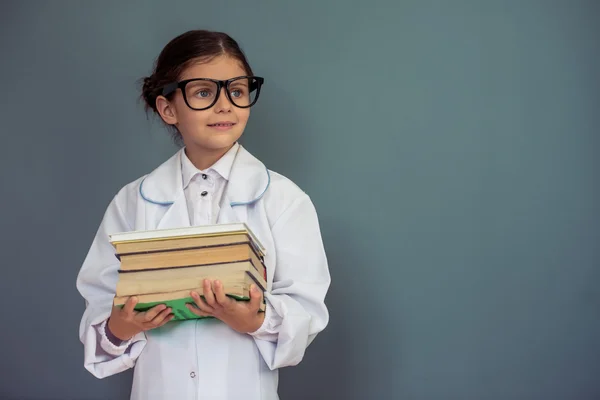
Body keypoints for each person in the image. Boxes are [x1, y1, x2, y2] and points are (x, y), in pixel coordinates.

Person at [76, 29, 331, 400]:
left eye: (238, 91)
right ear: (168, 109)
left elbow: (306, 310)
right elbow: (100, 309)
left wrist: (255, 320)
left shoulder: (285, 200)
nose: (225, 105)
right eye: (203, 92)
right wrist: (119, 326)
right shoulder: (132, 202)